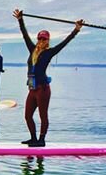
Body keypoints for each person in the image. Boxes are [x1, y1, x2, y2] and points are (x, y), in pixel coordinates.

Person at [13, 8, 83, 146]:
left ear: (47, 40)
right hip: (32, 88)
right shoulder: (32, 49)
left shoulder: (50, 52)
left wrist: (76, 30)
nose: (40, 40)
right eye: (39, 38)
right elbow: (24, 35)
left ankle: (42, 140)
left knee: (43, 115)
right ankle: (33, 138)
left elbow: (65, 42)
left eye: (43, 38)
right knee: (27, 116)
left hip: (43, 89)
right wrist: (20, 20)